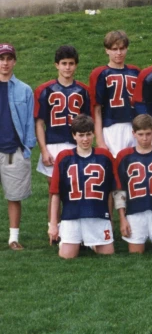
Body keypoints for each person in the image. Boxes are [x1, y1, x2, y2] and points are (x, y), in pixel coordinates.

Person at [35, 45, 91, 222]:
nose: (67, 67)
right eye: (64, 63)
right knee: (54, 189)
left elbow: (88, 122)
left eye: (71, 63)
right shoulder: (45, 89)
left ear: (76, 65)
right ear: (56, 65)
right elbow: (39, 122)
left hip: (76, 143)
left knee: (76, 188)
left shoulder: (83, 90)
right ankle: (54, 228)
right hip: (53, 143)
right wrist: (44, 150)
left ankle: (73, 227)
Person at [48, 115, 115, 259]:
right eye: (81, 135)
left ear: (93, 134)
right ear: (74, 136)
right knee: (67, 256)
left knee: (108, 254)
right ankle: (77, 241)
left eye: (88, 134)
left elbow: (109, 192)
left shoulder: (104, 156)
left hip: (97, 213)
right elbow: (55, 194)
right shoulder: (64, 157)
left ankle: (90, 242)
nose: (85, 139)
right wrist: (53, 224)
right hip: (72, 215)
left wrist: (109, 219)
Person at [113, 114, 152, 254]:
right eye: (140, 134)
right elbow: (119, 191)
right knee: (136, 254)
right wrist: (122, 219)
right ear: (133, 133)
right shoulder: (124, 156)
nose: (145, 138)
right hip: (135, 212)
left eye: (148, 134)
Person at [0, 44, 36, 250]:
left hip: (14, 150)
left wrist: (27, 147)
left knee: (14, 196)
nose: (5, 63)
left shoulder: (24, 89)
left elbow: (30, 121)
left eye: (8, 58)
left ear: (14, 61)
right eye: (1, 58)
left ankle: (13, 238)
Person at [89, 30, 140, 157]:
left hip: (134, 126)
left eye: (122, 48)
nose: (119, 53)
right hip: (112, 127)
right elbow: (97, 110)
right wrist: (100, 141)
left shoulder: (135, 72)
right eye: (114, 49)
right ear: (107, 50)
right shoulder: (100, 73)